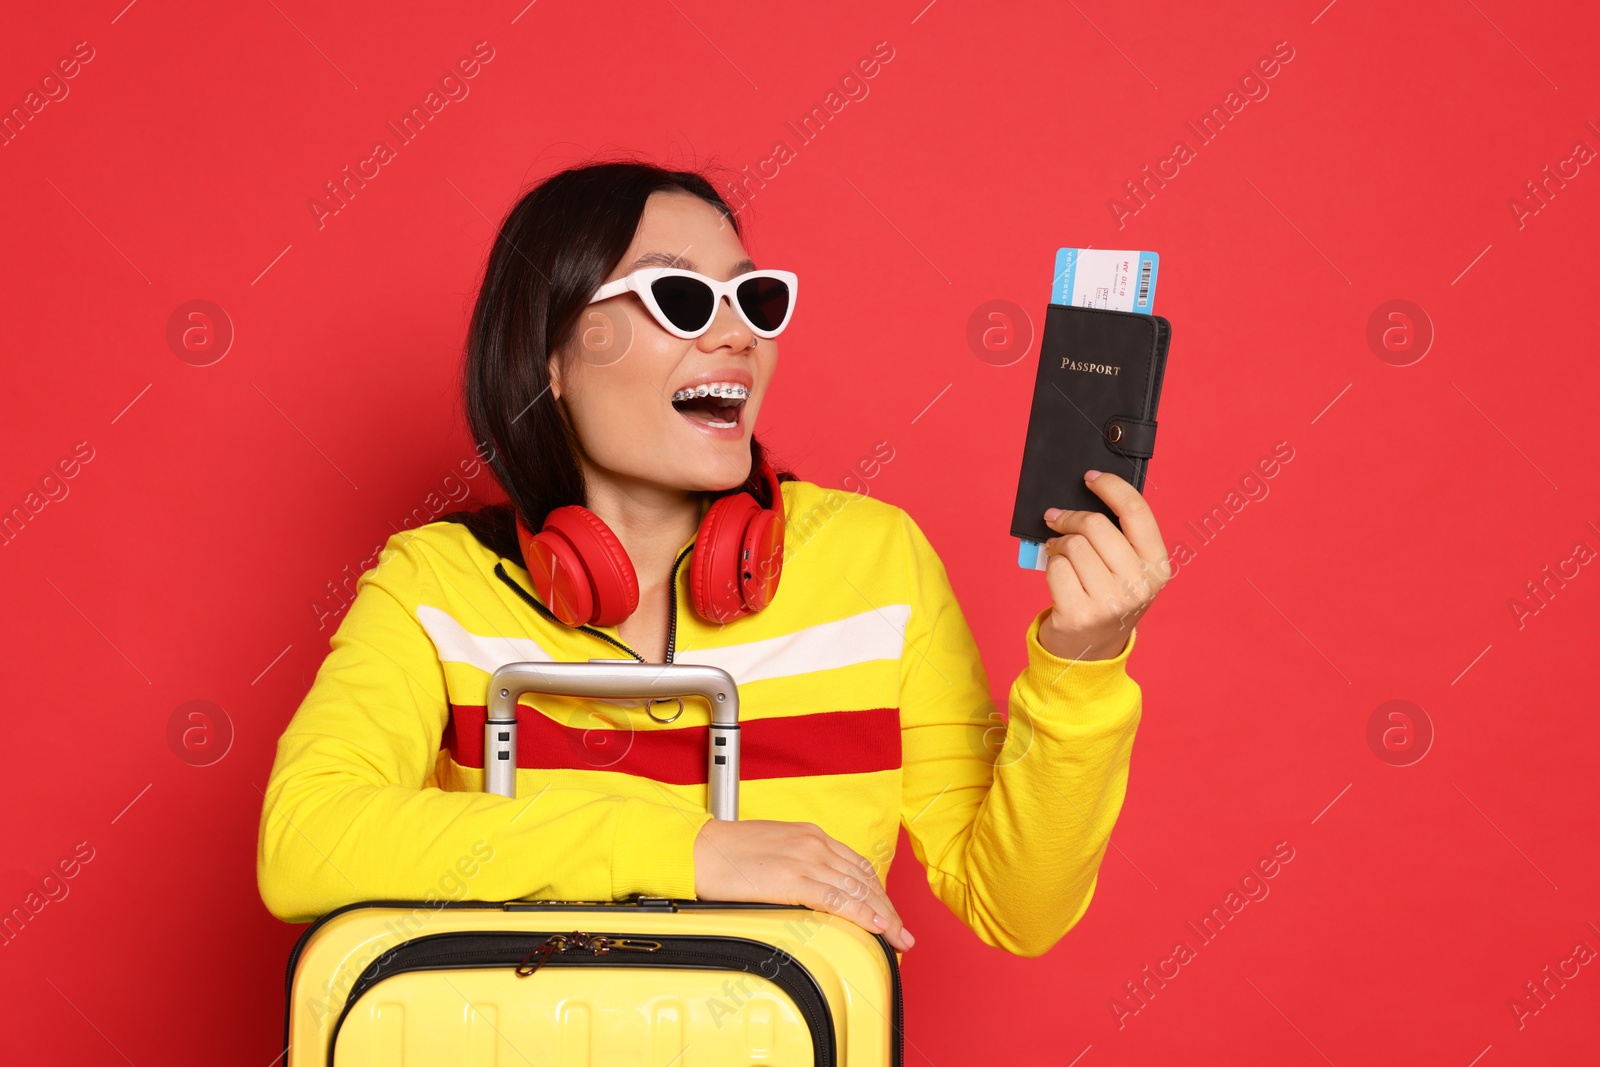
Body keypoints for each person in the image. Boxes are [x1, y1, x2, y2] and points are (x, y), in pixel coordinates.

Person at [255, 158, 1170, 960]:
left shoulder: (873, 561)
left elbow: (1018, 907)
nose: (737, 333)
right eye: (681, 298)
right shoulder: (433, 585)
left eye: (753, 297)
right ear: (551, 358)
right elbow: (304, 840)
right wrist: (686, 850)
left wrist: (1081, 667)